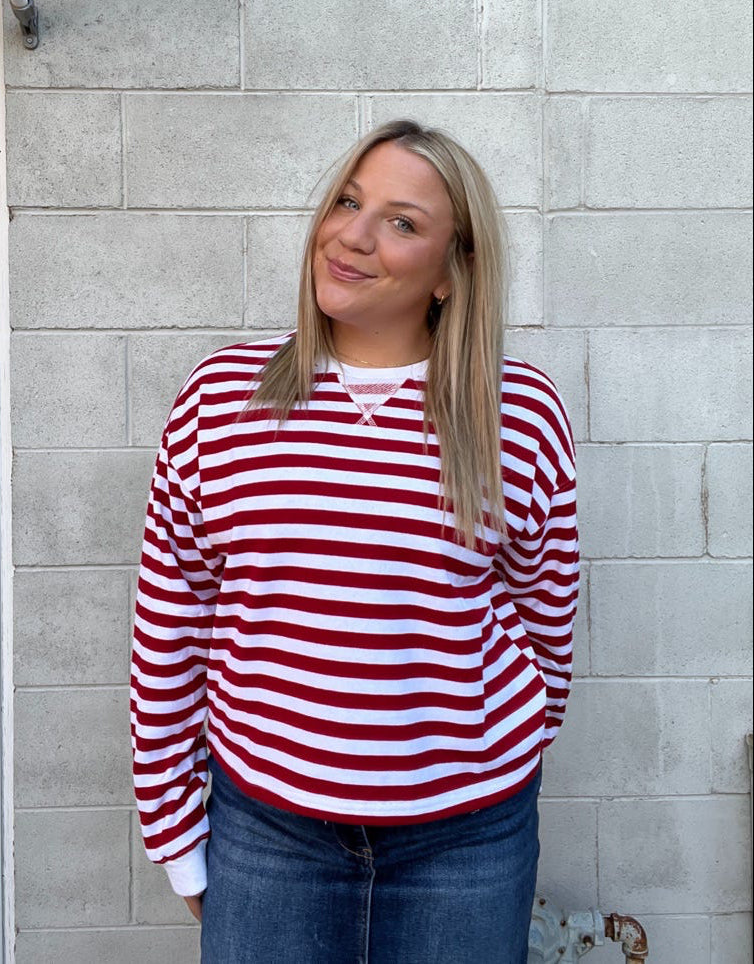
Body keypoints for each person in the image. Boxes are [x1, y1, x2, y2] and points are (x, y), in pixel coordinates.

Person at [130, 119, 579, 964]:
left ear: (452, 271)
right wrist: (178, 838)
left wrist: (465, 752)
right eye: (348, 200)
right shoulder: (221, 398)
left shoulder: (516, 412)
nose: (353, 235)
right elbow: (170, 632)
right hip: (269, 838)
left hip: (469, 844)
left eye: (402, 221)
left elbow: (544, 629)